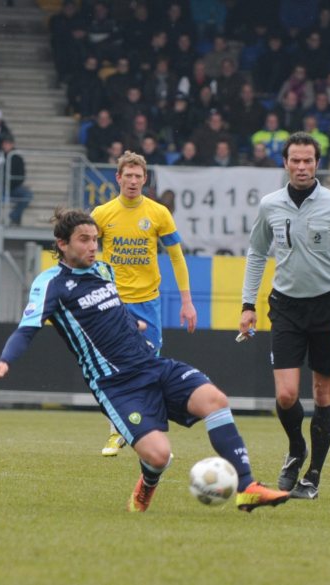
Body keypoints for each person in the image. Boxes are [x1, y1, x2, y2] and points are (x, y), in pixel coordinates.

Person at [0, 208, 290, 513]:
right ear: (62, 244)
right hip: (116, 386)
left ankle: (247, 488)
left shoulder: (104, 271)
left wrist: (133, 324)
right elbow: (27, 328)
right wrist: (5, 360)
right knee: (159, 456)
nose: (92, 247)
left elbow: (111, 309)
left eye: (95, 240)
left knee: (216, 400)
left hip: (151, 365)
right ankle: (148, 482)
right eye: (84, 240)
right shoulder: (51, 283)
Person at [239, 132, 330, 500]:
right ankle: (296, 449)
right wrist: (248, 305)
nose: (301, 166)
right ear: (285, 163)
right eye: (295, 160)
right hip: (286, 307)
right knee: (286, 394)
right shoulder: (270, 205)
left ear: (317, 163)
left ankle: (313, 476)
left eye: (308, 160)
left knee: (323, 393)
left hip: (329, 308)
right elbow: (256, 253)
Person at [91, 150, 197, 457]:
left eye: (139, 176)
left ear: (145, 179)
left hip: (148, 303)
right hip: (114, 304)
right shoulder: (102, 214)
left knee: (149, 370)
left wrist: (187, 301)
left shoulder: (159, 213)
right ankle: (116, 432)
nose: (133, 181)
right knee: (112, 367)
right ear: (118, 178)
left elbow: (177, 257)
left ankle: (152, 437)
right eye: (129, 176)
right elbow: (83, 248)